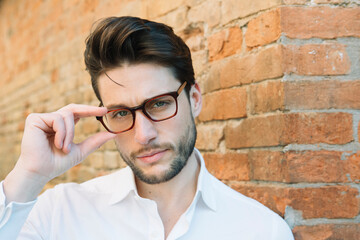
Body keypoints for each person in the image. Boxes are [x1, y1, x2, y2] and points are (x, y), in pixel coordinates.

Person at [0, 16, 294, 240]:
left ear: (194, 99)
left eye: (159, 104)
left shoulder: (262, 230)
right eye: (121, 113)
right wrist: (28, 176)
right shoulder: (59, 214)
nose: (143, 135)